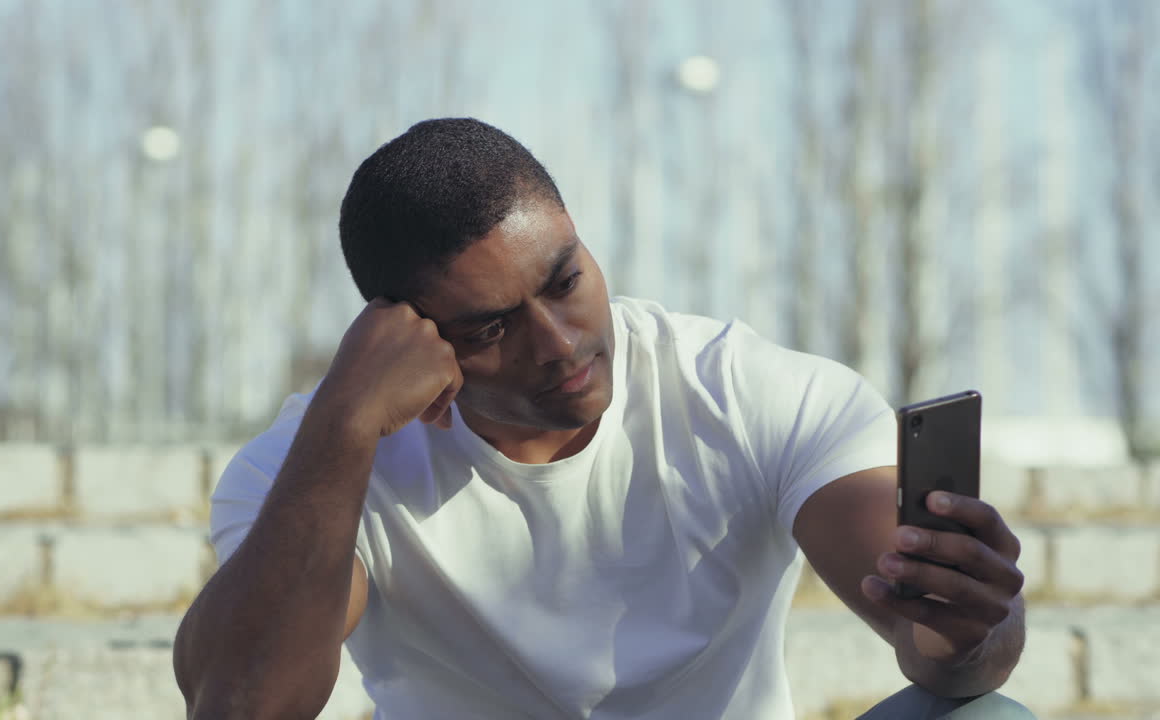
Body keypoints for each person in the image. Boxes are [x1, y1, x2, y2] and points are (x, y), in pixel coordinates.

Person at [172, 118, 1033, 719]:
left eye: (564, 281)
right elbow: (243, 709)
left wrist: (968, 632)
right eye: (491, 327)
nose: (558, 344)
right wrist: (343, 428)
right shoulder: (310, 462)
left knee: (989, 716)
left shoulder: (746, 391)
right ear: (406, 336)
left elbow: (935, 644)